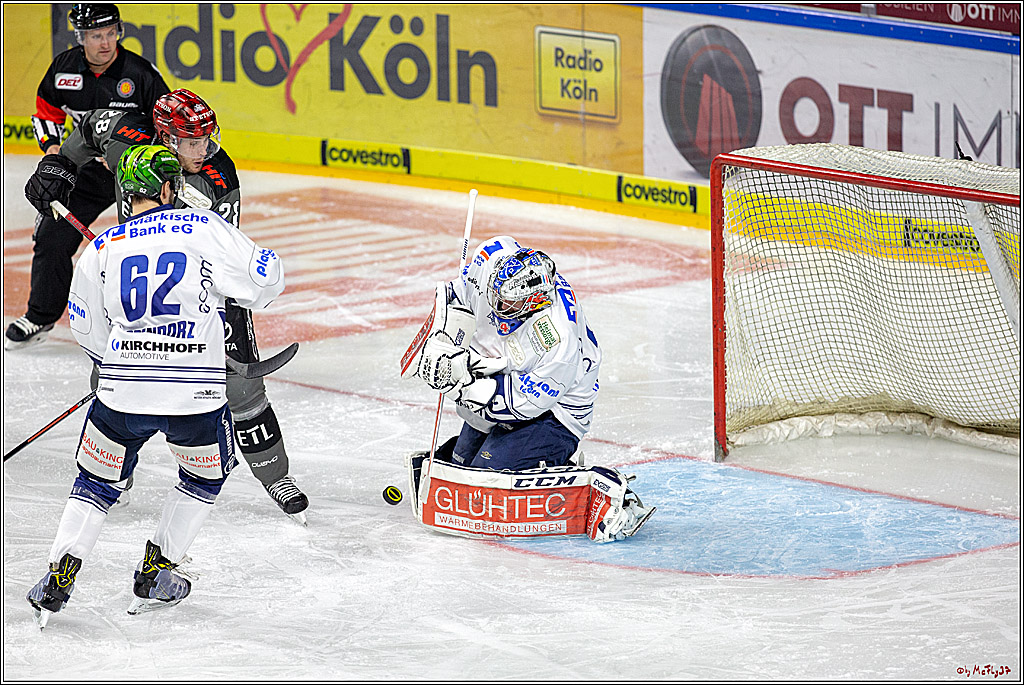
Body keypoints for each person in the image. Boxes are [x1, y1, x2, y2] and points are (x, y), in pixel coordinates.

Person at [26, 145, 285, 627]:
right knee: (204, 477)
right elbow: (266, 281)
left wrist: (121, 360)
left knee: (94, 482)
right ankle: (156, 570)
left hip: (122, 392)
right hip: (195, 395)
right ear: (170, 188)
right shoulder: (205, 228)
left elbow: (85, 325)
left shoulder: (103, 245)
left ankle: (59, 573)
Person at [22, 89, 309, 523]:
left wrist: (216, 330)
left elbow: (223, 257)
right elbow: (86, 129)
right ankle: (111, 478)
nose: (205, 149)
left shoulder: (215, 174)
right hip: (133, 282)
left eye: (207, 138)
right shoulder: (125, 135)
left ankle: (275, 476)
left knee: (242, 391)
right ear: (166, 139)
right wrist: (57, 164)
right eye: (194, 142)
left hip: (199, 290)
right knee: (111, 380)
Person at [408, 235, 654, 541]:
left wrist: (463, 383)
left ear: (534, 301)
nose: (498, 307)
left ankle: (586, 480)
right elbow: (457, 292)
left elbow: (517, 404)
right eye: (497, 297)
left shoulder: (556, 337)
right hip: (511, 371)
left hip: (558, 412)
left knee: (488, 484)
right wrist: (445, 340)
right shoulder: (496, 257)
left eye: (507, 304)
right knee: (462, 467)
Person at [6, 3, 169, 349]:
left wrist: (137, 157)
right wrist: (52, 150)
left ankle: (157, 324)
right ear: (81, 37)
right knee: (52, 235)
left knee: (150, 244)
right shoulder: (63, 70)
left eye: (111, 33)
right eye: (96, 35)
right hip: (85, 170)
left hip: (136, 172)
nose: (106, 43)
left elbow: (165, 123)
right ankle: (41, 316)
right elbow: (46, 112)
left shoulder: (140, 74)